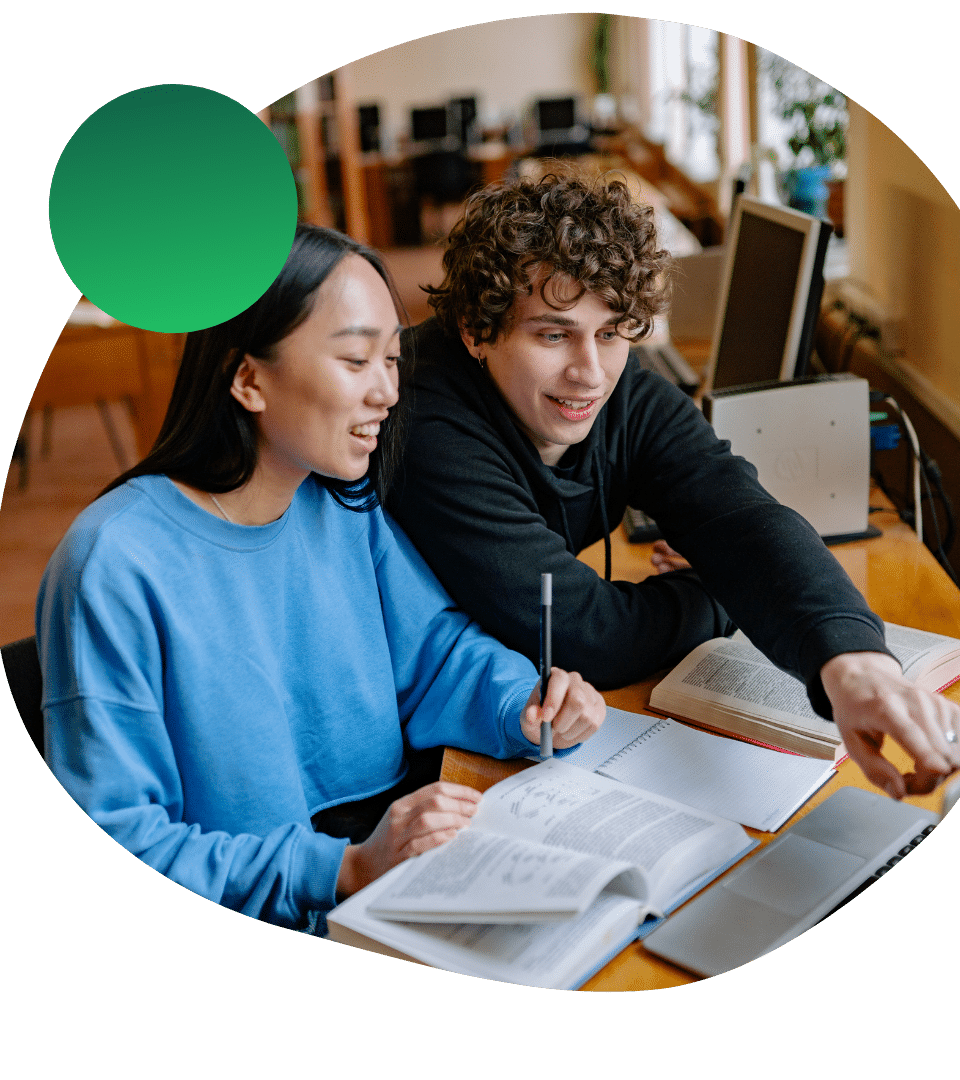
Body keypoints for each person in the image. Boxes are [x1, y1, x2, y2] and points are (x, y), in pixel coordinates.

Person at [36, 224, 604, 932]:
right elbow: (120, 845)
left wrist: (520, 703)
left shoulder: (339, 502)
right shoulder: (113, 564)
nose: (388, 393)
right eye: (357, 360)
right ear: (248, 377)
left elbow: (434, 653)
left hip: (381, 882)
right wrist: (343, 869)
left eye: (393, 361)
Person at [386, 172, 960, 800]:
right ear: (477, 329)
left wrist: (854, 662)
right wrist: (713, 588)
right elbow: (585, 633)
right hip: (410, 759)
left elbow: (738, 515)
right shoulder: (421, 415)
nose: (590, 373)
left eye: (611, 332)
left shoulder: (620, 386)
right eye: (553, 334)